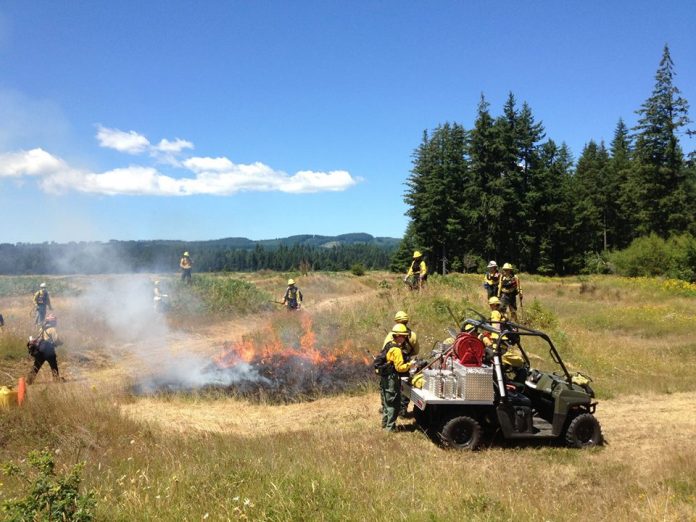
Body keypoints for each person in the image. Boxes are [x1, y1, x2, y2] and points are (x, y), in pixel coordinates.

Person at [382, 311, 420, 416]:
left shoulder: (392, 334)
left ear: (396, 321)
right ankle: (403, 409)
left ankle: (387, 408)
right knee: (405, 387)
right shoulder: (413, 335)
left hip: (392, 367)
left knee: (389, 387)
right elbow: (416, 351)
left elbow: (384, 350)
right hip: (406, 365)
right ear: (407, 321)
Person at [379, 324, 415, 432]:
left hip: (385, 377)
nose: (405, 339)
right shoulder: (397, 350)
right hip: (392, 379)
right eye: (403, 336)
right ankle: (390, 428)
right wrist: (410, 365)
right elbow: (400, 368)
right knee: (394, 404)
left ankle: (385, 424)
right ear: (398, 336)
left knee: (386, 403)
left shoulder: (389, 345)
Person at [26, 314, 63, 384]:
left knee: (36, 365)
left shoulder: (42, 328)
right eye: (54, 321)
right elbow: (56, 340)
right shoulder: (52, 329)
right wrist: (60, 343)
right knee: (53, 365)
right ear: (52, 322)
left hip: (40, 351)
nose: (55, 323)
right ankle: (56, 379)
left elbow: (40, 339)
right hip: (49, 351)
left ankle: (30, 380)